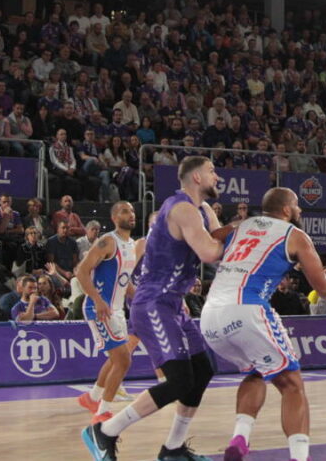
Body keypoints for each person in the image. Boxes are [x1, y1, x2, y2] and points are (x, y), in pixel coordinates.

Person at [83, 156, 228, 461]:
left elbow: (216, 236)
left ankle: (173, 449)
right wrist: (239, 236)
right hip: (153, 304)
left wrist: (222, 225)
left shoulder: (198, 209)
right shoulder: (182, 208)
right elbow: (210, 252)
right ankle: (105, 431)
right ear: (197, 178)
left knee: (204, 369)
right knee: (178, 380)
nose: (218, 177)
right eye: (212, 171)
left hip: (173, 304)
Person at [200, 187, 326, 461]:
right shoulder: (295, 235)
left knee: (257, 371)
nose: (300, 210)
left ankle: (240, 438)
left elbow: (209, 239)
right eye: (297, 206)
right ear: (287, 210)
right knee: (292, 385)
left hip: (210, 317)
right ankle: (300, 457)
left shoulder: (241, 225)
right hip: (246, 309)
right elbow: (321, 286)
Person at [76, 201, 145, 424]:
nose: (131, 215)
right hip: (100, 308)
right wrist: (97, 300)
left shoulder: (131, 245)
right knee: (123, 360)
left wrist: (143, 300)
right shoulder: (107, 241)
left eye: (132, 211)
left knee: (117, 357)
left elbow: (125, 284)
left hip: (116, 310)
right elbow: (82, 272)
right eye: (125, 211)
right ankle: (103, 412)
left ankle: (92, 397)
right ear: (115, 217)